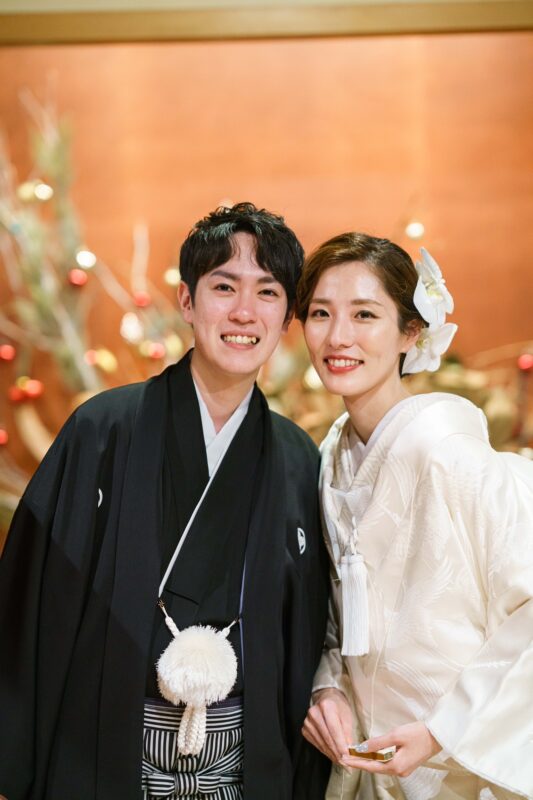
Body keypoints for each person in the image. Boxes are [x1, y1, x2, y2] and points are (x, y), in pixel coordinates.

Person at [0, 202, 330, 800]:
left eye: (267, 292)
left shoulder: (297, 457)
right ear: (186, 301)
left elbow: (305, 632)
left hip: (238, 762)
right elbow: (31, 602)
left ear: (287, 318)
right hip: (106, 749)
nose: (244, 312)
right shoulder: (102, 430)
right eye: (223, 287)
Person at [297, 232, 533, 800]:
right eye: (321, 313)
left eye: (364, 314)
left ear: (411, 332)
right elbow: (334, 620)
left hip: (456, 766)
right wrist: (327, 689)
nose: (338, 336)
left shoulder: (451, 453)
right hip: (371, 765)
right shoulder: (330, 458)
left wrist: (441, 732)